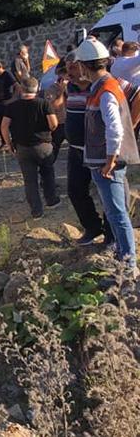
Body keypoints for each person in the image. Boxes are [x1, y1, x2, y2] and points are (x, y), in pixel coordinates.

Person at [76, 39, 140, 273]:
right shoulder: (107, 85)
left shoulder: (105, 91)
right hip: (108, 160)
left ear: (84, 66)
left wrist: (109, 160)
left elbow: (114, 128)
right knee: (117, 211)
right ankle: (125, 258)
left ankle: (127, 266)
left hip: (107, 162)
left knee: (116, 213)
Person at [63, 52, 115, 246]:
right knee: (75, 191)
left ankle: (111, 235)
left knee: (106, 194)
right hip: (75, 150)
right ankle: (92, 227)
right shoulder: (70, 87)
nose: (70, 73)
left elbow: (135, 94)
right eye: (68, 69)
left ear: (85, 67)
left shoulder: (102, 87)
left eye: (74, 68)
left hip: (98, 152)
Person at [1, 77, 61, 219]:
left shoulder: (12, 106)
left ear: (21, 89)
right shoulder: (44, 104)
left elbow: (4, 126)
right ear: (37, 88)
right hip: (43, 145)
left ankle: (36, 211)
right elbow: (53, 124)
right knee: (47, 174)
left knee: (30, 180)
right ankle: (51, 200)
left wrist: (8, 143)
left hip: (22, 147)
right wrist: (48, 131)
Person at [44, 63, 68, 162]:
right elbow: (54, 106)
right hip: (59, 123)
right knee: (53, 150)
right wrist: (62, 91)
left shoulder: (74, 87)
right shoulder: (52, 89)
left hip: (70, 122)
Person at [0, 60, 18, 151]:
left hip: (6, 103)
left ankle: (14, 143)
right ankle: (4, 142)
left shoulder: (7, 75)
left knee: (10, 124)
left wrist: (12, 99)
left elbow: (17, 86)